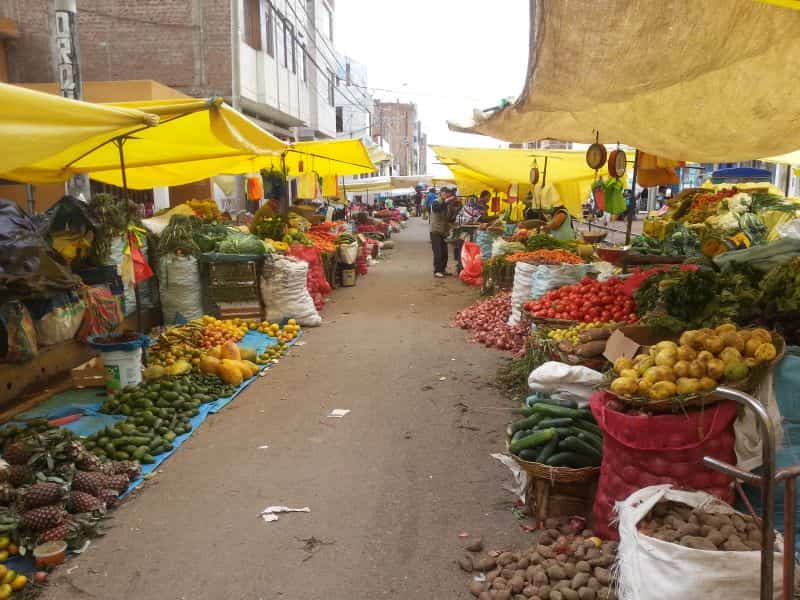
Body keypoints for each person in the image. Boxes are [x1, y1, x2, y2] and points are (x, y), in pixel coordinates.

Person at [430, 187, 459, 278]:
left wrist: (456, 208)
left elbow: (450, 218)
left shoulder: (448, 205)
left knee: (444, 253)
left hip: (444, 231)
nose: (447, 195)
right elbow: (437, 209)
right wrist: (446, 201)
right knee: (438, 253)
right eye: (445, 193)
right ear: (441, 193)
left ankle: (442, 269)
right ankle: (437, 271)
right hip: (435, 231)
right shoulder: (436, 202)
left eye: (448, 193)